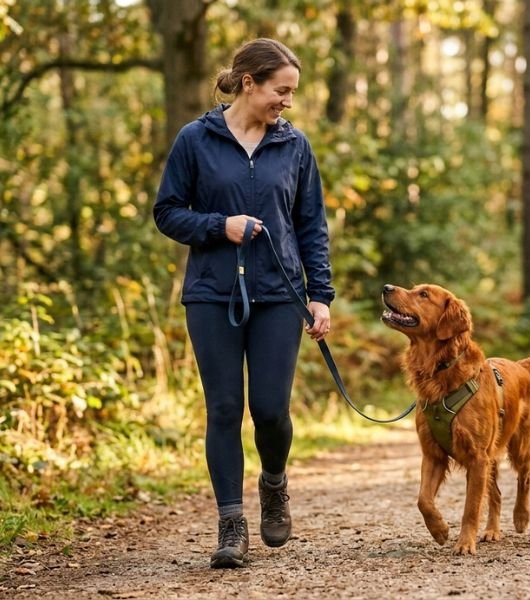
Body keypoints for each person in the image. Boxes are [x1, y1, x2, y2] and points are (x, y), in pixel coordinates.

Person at [153, 38, 334, 569]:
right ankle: (231, 525)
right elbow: (167, 212)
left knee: (271, 409)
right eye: (282, 90)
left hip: (280, 295)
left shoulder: (295, 147)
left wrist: (319, 295)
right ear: (249, 82)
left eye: (293, 93)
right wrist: (219, 226)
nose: (288, 102)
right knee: (225, 409)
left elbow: (311, 227)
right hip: (212, 294)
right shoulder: (195, 140)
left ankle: (274, 483)